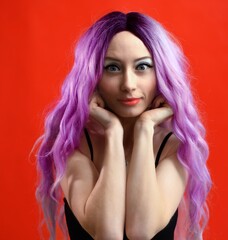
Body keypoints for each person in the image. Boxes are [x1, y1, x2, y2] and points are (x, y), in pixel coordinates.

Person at [35, 11, 211, 240]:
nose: (128, 84)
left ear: (162, 74)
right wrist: (113, 132)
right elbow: (107, 234)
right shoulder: (73, 145)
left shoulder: (175, 147)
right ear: (93, 76)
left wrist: (145, 128)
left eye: (142, 66)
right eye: (113, 68)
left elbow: (141, 231)